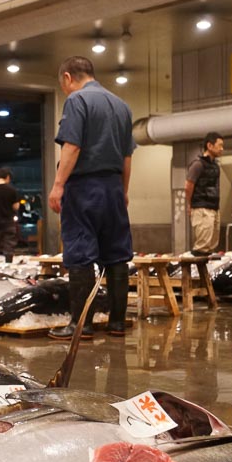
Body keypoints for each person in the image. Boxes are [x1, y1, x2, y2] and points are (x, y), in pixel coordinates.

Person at [47, 56, 135, 340]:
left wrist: (58, 184)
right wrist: (123, 190)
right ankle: (117, 323)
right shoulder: (121, 106)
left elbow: (72, 146)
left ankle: (81, 324)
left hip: (84, 187)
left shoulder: (77, 101)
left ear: (68, 78)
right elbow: (127, 157)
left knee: (81, 255)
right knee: (117, 254)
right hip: (113, 187)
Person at [184, 131, 224, 255]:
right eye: (220, 145)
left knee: (212, 244)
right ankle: (197, 273)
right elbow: (188, 186)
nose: (222, 149)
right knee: (202, 246)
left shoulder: (215, 166)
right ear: (209, 146)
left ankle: (207, 273)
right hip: (201, 207)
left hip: (214, 207)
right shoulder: (198, 164)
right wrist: (190, 204)